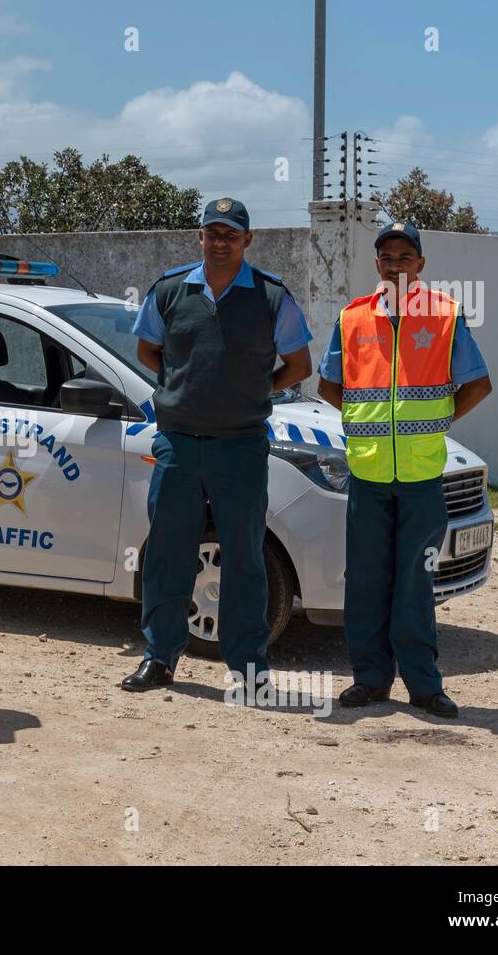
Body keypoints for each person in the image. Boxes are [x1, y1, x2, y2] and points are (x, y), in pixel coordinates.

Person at [121, 198, 314, 695]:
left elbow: (298, 363)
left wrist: (257, 391)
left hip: (242, 446)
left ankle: (248, 668)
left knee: (245, 558)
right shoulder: (170, 289)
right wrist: (180, 386)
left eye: (231, 234)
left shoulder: (272, 297)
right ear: (200, 238)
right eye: (212, 233)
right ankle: (159, 658)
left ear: (248, 240)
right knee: (167, 553)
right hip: (178, 445)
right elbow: (147, 349)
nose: (220, 242)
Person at [317, 222, 492, 718]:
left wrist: (439, 420)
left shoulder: (445, 315)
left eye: (404, 256)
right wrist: (361, 419)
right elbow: (331, 384)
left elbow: (478, 384)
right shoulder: (352, 318)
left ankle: (423, 685)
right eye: (386, 257)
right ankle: (370, 679)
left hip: (420, 476)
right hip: (369, 475)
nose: (395, 265)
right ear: (377, 265)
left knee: (416, 580)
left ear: (421, 264)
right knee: (367, 580)